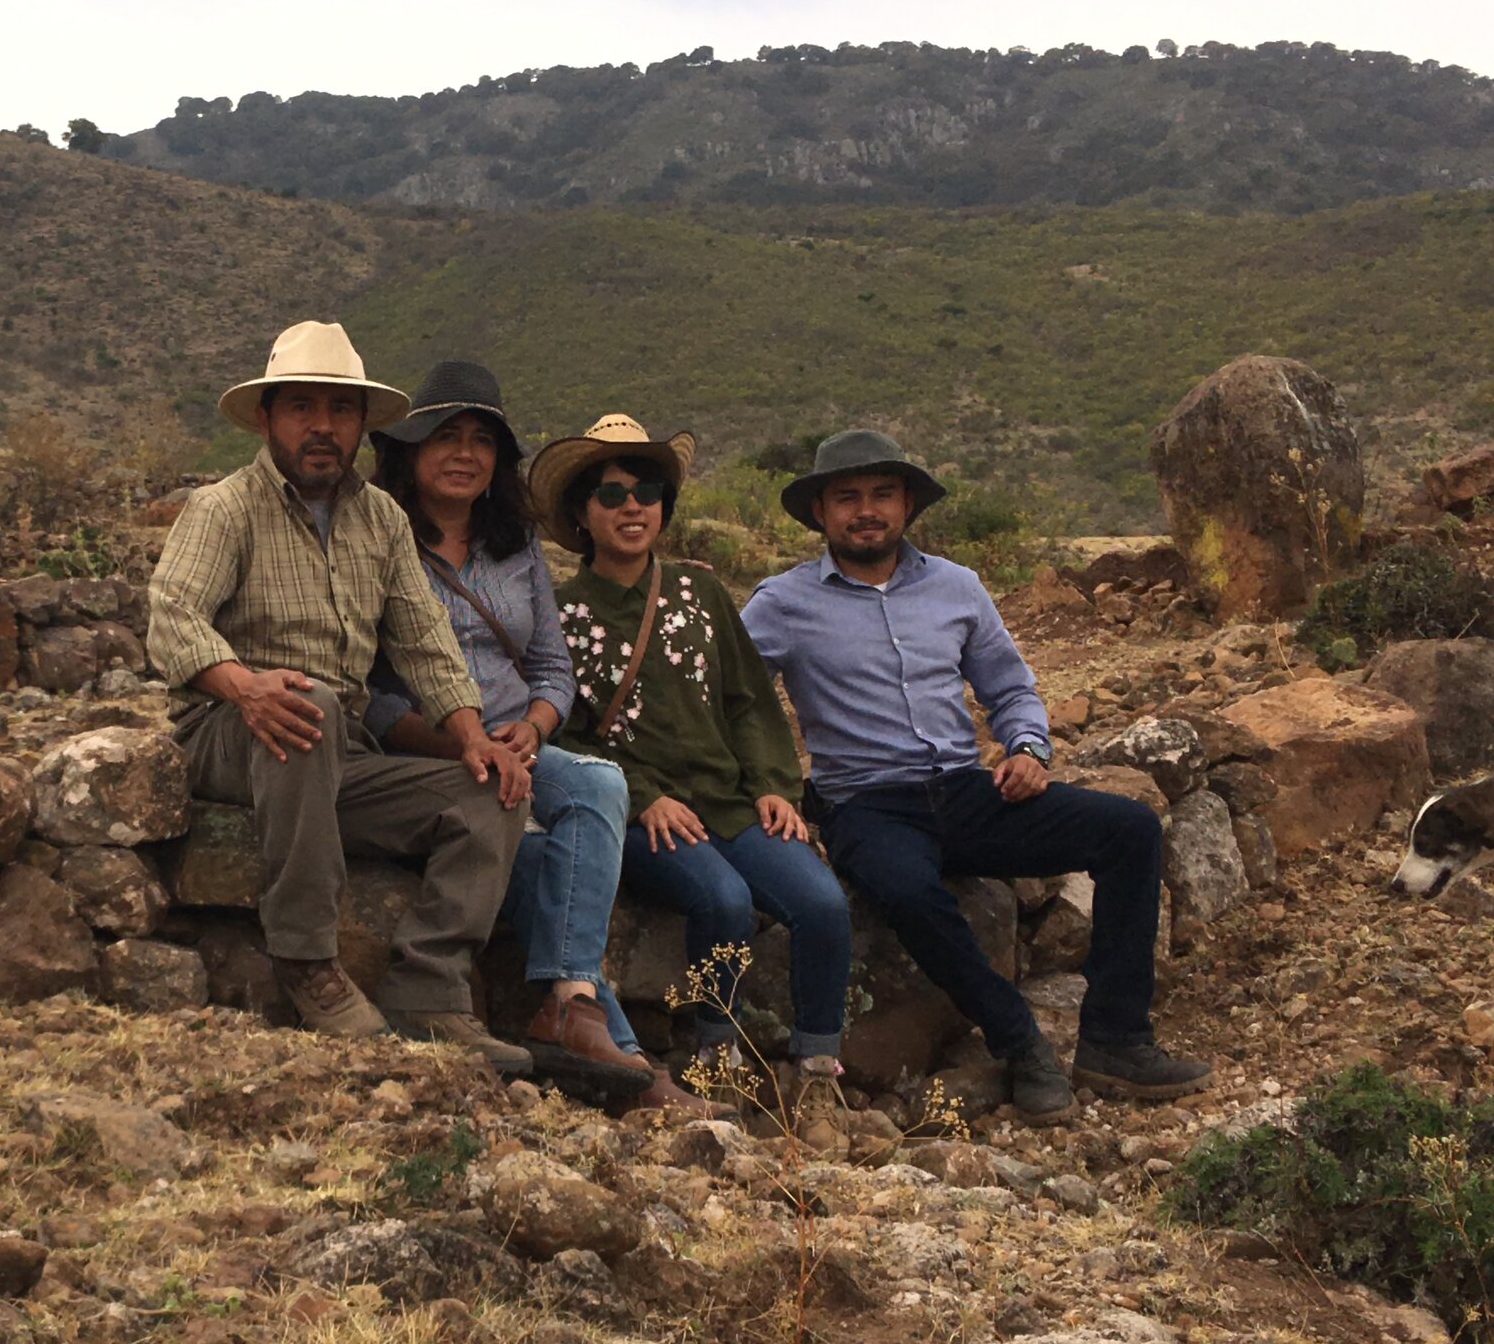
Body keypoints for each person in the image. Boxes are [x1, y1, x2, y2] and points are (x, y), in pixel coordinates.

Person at [741, 429, 1212, 1121]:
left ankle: (1115, 1038)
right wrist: (767, 779)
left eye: (881, 494)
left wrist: (1026, 747)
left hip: (967, 790)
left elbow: (1012, 688)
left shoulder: (955, 586)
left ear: (906, 504)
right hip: (866, 804)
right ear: (819, 512)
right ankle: (1018, 1039)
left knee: (1131, 828)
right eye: (846, 498)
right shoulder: (782, 603)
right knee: (907, 888)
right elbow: (731, 697)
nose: (865, 510)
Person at [146, 322, 534, 1072]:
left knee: (494, 791)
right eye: (301, 407)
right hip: (228, 729)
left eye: (340, 410)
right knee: (308, 703)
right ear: (266, 418)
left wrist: (471, 736)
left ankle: (430, 989)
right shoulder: (225, 508)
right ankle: (307, 962)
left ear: (362, 423)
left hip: (335, 748)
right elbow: (172, 617)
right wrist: (244, 684)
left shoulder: (382, 519)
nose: (322, 427)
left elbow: (425, 640)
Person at [362, 362, 686, 1110]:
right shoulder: (378, 542)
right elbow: (369, 693)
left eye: (482, 439)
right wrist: (459, 742)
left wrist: (535, 727)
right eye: (446, 436)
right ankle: (627, 1060)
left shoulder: (516, 547)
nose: (465, 453)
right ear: (409, 449)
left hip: (521, 745)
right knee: (541, 854)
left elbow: (551, 668)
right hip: (427, 747)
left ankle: (568, 1006)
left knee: (599, 783)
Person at [537, 415, 855, 1086]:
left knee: (823, 902)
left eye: (646, 490)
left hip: (732, 801)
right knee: (722, 898)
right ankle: (718, 1056)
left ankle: (820, 1067)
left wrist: (774, 783)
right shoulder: (558, 614)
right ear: (581, 512)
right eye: (611, 492)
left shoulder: (702, 593)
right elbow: (563, 731)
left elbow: (748, 700)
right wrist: (644, 796)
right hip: (642, 813)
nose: (632, 506)